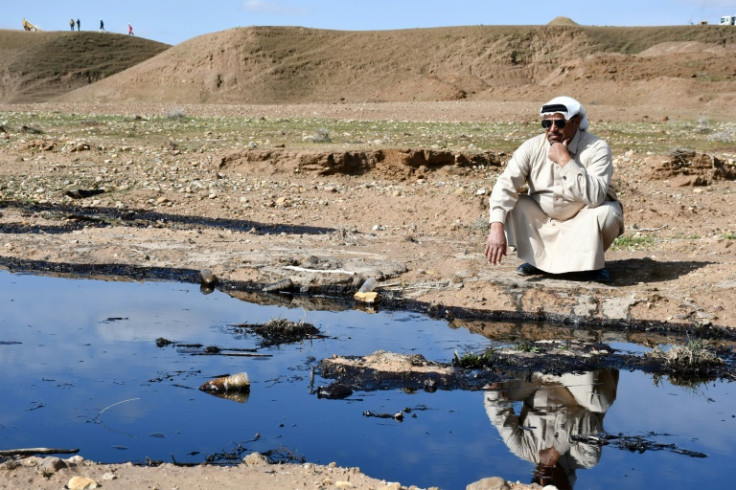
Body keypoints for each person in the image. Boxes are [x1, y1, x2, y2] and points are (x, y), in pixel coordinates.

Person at [484, 96, 624, 283]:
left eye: (559, 123)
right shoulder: (532, 146)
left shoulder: (597, 148)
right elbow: (505, 184)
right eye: (546, 123)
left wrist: (565, 161)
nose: (552, 129)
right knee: (515, 204)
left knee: (609, 213)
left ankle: (591, 265)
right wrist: (496, 227)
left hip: (581, 220)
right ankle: (536, 261)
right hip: (542, 220)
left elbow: (596, 197)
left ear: (576, 122)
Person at [484, 369, 619, 489]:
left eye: (536, 480)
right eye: (550, 484)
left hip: (537, 377)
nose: (542, 477)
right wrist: (557, 449)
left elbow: (499, 416)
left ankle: (524, 353)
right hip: (573, 378)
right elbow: (589, 422)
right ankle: (584, 352)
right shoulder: (585, 459)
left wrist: (494, 386)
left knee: (501, 386)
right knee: (599, 402)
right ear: (566, 487)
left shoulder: (523, 449)